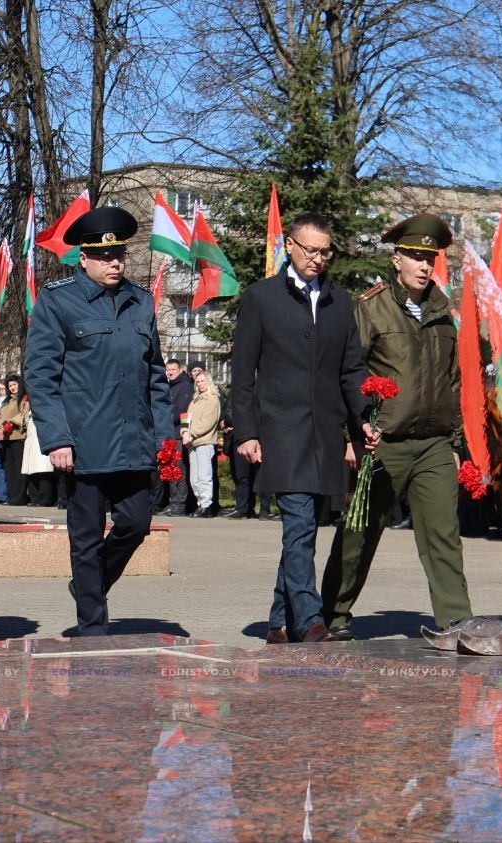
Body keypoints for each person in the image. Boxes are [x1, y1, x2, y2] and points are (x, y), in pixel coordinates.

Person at [321, 213, 474, 640]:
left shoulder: (444, 312)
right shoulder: (370, 308)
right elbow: (347, 375)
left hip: (434, 444)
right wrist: (350, 436)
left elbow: (452, 381)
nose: (425, 266)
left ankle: (456, 622)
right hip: (381, 443)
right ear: (396, 260)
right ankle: (331, 616)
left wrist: (456, 442)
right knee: (360, 533)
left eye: (431, 258)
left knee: (444, 535)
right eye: (415, 256)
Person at [24, 206, 172, 636]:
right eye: (104, 256)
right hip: (84, 443)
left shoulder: (141, 302)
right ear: (83, 258)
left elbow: (156, 378)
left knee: (136, 523)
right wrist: (57, 439)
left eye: (120, 255)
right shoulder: (57, 301)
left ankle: (88, 585)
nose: (115, 263)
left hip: (135, 441)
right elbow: (42, 376)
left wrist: (165, 440)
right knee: (85, 537)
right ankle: (92, 626)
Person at [228, 213, 373, 645]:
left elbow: (352, 370)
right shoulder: (262, 297)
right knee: (300, 525)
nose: (317, 258)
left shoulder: (340, 301)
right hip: (280, 432)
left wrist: (362, 419)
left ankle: (278, 622)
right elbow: (242, 372)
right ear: (289, 246)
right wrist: (246, 432)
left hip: (325, 434)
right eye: (310, 249)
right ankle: (311, 621)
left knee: (304, 527)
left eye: (325, 251)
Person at [154, 359, 194, 515]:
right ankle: (173, 501)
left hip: (177, 434)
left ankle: (180, 504)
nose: (170, 372)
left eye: (173, 369)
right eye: (168, 369)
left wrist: (162, 419)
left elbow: (181, 411)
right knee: (169, 469)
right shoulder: (167, 386)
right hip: (167, 433)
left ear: (180, 369)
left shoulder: (184, 386)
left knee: (178, 470)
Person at [183, 369, 221, 517]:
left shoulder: (212, 399)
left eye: (202, 381)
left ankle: (207, 505)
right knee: (194, 478)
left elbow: (208, 422)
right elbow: (186, 418)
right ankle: (200, 504)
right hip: (191, 443)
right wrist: (184, 432)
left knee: (204, 476)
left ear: (209, 382)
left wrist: (191, 433)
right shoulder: (195, 400)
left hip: (205, 441)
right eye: (197, 382)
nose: (200, 384)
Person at [0, 375, 29, 505]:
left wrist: (9, 423)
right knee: (8, 468)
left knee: (18, 469)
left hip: (18, 437)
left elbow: (23, 415)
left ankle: (19, 497)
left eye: (14, 385)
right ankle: (11, 496)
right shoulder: (6, 402)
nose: (12, 388)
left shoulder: (24, 399)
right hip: (5, 438)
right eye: (10, 386)